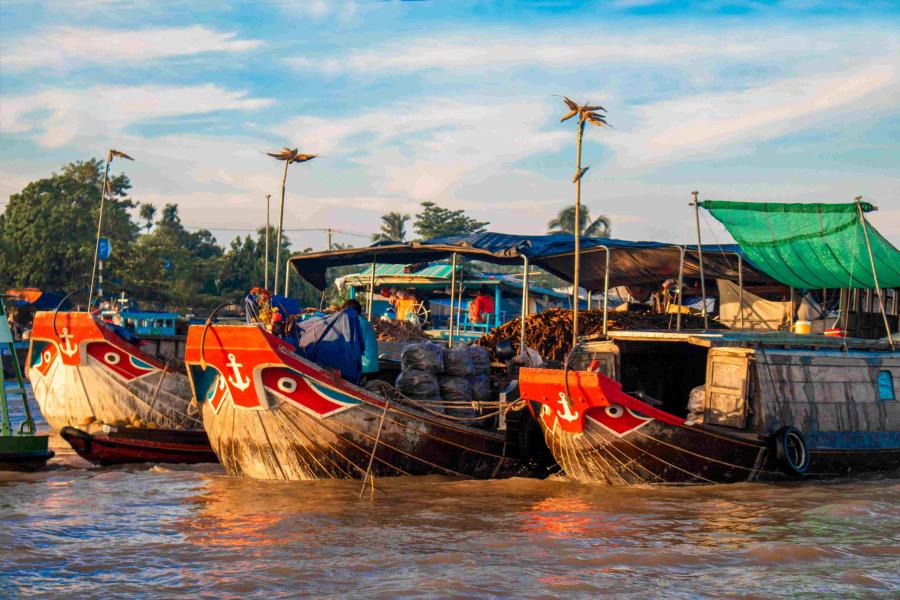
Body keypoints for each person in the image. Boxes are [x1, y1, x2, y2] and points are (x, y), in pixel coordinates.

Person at [343, 299, 379, 377]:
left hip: (366, 367)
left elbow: (351, 344)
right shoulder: (362, 321)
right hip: (370, 365)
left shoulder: (359, 324)